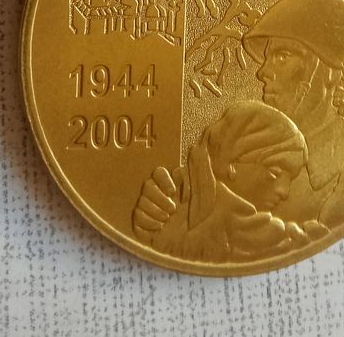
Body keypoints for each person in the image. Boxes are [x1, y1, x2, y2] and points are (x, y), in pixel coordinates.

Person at [134, 0, 344, 243]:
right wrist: (164, 204)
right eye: (268, 57)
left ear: (330, 72)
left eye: (282, 56)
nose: (263, 72)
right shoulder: (248, 147)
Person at [132, 101, 313, 264]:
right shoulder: (174, 208)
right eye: (275, 173)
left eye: (290, 180)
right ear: (231, 164)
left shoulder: (284, 238)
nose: (284, 192)